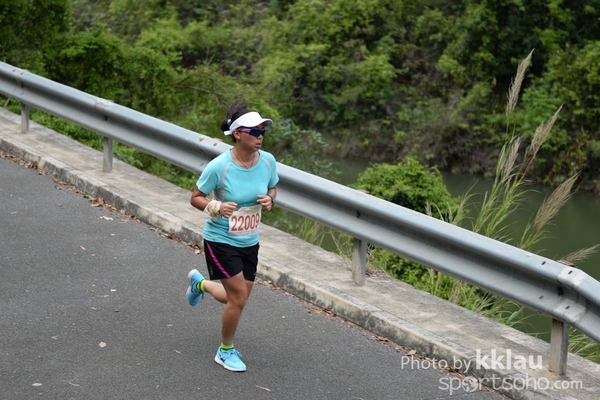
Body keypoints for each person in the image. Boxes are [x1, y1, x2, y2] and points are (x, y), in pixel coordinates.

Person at [186, 100, 279, 372]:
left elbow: (273, 188)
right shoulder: (220, 166)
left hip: (249, 240)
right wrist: (216, 207)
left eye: (263, 131)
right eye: (255, 131)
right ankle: (225, 351)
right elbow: (196, 197)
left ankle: (201, 285)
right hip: (220, 240)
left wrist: (270, 200)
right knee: (238, 298)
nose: (260, 136)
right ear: (237, 134)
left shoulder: (268, 161)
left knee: (235, 298)